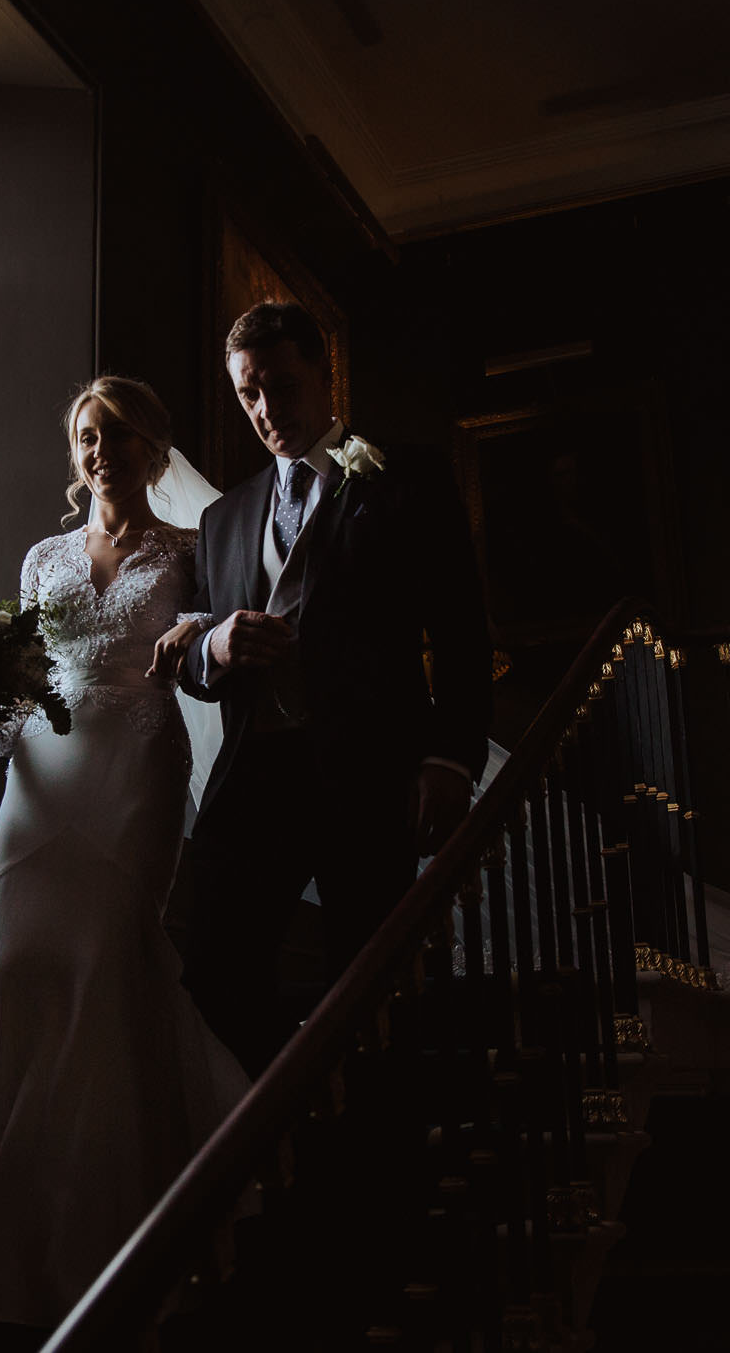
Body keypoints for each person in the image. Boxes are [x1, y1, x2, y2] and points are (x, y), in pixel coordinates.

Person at [0, 376, 242, 1336]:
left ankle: (124, 1227)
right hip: (39, 780)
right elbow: (19, 689)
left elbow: (219, 654)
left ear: (152, 449)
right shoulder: (44, 557)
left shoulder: (195, 550)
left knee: (104, 966)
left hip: (136, 767)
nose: (101, 450)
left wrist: (197, 628)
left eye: (119, 435)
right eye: (88, 435)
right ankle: (26, 1239)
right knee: (15, 966)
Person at [168, 300, 492, 1079]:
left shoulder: (407, 476)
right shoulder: (224, 517)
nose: (267, 408)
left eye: (282, 384)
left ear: (322, 371)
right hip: (256, 780)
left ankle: (370, 1150)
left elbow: (460, 629)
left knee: (372, 981)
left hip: (371, 775)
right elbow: (191, 665)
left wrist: (450, 759)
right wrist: (217, 643)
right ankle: (289, 1108)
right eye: (249, 392)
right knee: (205, 962)